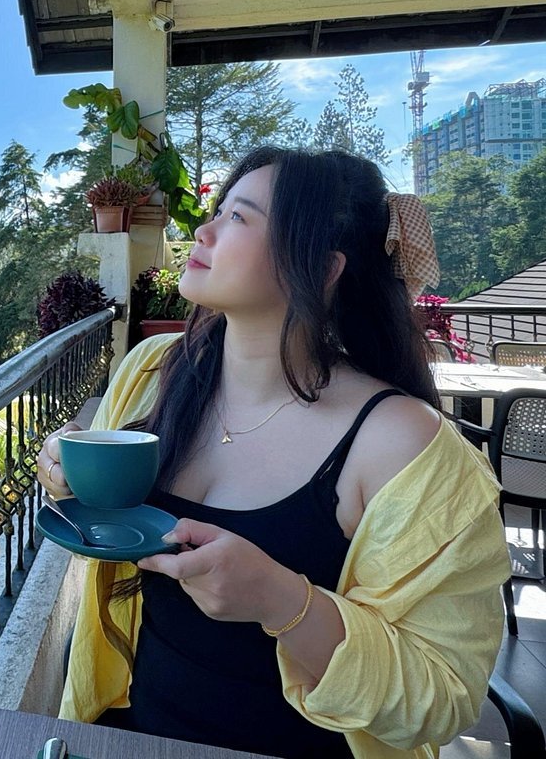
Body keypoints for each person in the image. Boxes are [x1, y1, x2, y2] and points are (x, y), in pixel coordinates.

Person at [37, 147, 509, 759]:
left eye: (239, 217)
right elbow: (107, 518)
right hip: (135, 733)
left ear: (322, 268)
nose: (203, 231)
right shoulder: (154, 372)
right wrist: (68, 470)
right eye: (217, 211)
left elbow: (442, 698)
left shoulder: (402, 443)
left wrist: (281, 600)